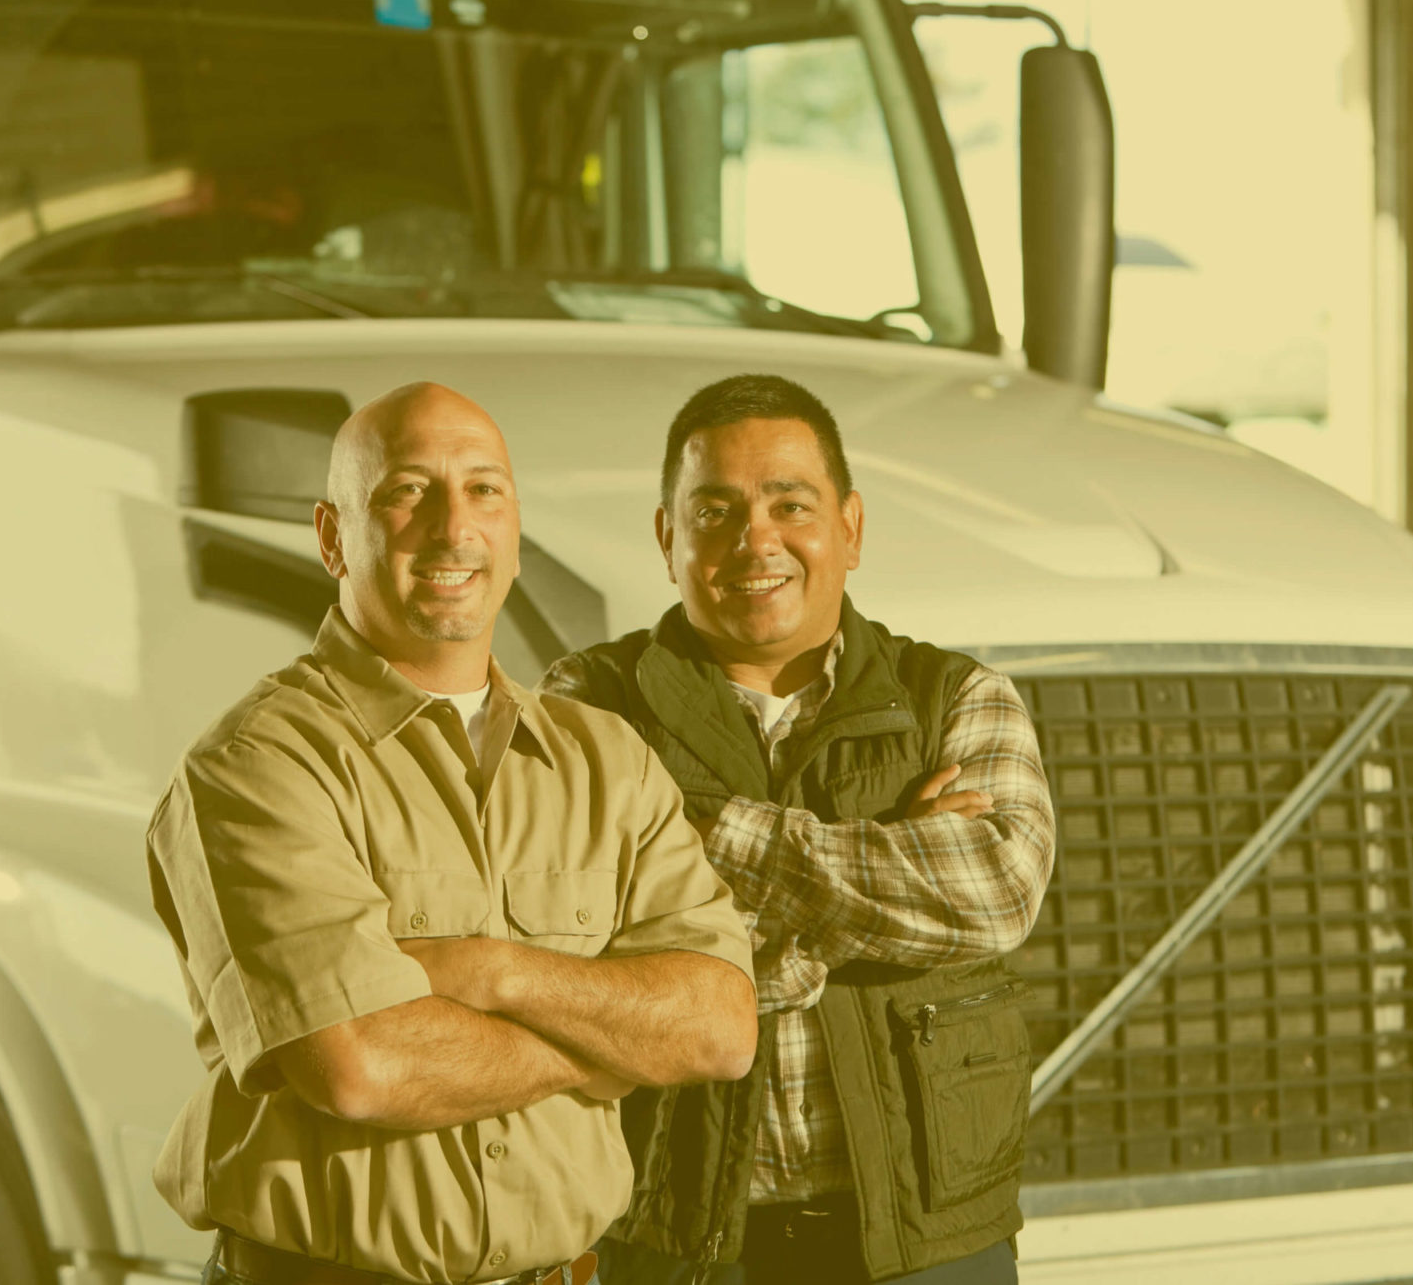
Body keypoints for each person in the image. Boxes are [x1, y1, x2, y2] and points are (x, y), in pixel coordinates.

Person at [148, 382, 758, 1285]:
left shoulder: (606, 759)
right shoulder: (258, 765)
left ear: (513, 534)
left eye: (483, 491)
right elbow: (360, 1066)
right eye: (406, 493)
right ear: (330, 536)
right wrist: (609, 1047)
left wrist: (492, 970)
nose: (451, 527)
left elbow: (718, 1028)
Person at [542, 375, 1056, 1285]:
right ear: (669, 538)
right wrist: (884, 863)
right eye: (716, 510)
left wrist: (697, 838)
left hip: (926, 1242)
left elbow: (995, 891)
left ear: (850, 528)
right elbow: (571, 931)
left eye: (791, 504)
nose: (757, 541)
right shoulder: (585, 704)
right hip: (669, 1235)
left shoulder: (958, 697)